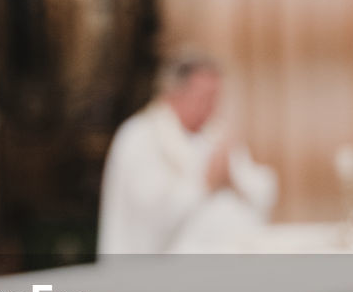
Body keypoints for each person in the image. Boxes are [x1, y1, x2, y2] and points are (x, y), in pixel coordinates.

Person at [97, 53, 277, 254]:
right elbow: (149, 213)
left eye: (216, 97)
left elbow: (259, 189)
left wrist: (232, 180)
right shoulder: (139, 137)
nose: (212, 107)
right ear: (175, 94)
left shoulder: (216, 135)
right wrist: (205, 183)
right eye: (204, 97)